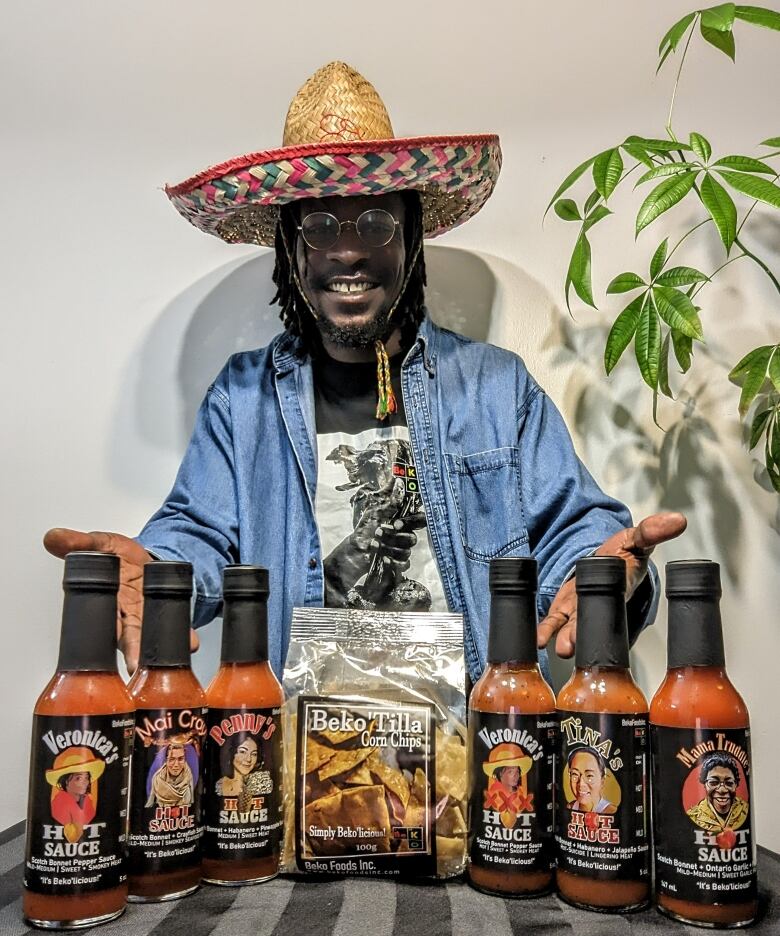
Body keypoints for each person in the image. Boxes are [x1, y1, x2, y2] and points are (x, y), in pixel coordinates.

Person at [43, 62, 686, 682]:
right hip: (303, 759)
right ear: (290, 249)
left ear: (411, 239)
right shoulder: (243, 399)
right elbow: (198, 534)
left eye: (376, 221)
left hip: (475, 752)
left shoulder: (496, 387)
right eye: (321, 224)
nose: (349, 249)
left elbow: (575, 533)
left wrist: (603, 575)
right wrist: (155, 572)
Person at [45, 747, 104, 841]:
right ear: (66, 782)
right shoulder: (59, 804)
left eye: (86, 778)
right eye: (78, 778)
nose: (85, 782)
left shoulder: (88, 801)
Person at [687, 752, 749, 833]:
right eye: (713, 782)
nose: (722, 790)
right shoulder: (694, 816)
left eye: (729, 783)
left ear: (736, 784)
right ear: (704, 784)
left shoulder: (745, 810)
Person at [216, 734, 273, 812]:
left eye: (254, 754)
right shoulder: (220, 785)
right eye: (242, 752)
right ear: (233, 753)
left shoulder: (263, 783)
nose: (248, 759)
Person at [566, 748, 617, 815]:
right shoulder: (570, 807)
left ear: (602, 781)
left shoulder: (611, 812)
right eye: (575, 774)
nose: (581, 784)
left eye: (589, 776)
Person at [146, 741, 195, 808]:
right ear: (166, 760)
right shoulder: (157, 780)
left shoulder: (189, 776)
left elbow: (192, 804)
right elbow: (149, 806)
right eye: (171, 759)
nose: (176, 765)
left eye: (180, 759)